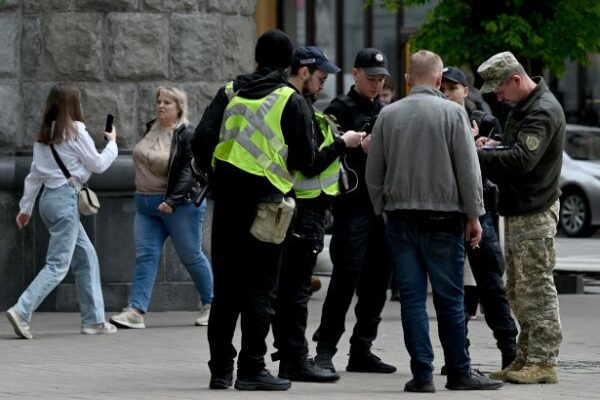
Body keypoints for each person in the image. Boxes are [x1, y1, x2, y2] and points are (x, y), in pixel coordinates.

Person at [365, 50, 504, 393]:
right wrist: (474, 214)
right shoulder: (454, 113)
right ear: (440, 80)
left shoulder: (389, 115)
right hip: (444, 219)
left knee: (412, 299)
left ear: (409, 78)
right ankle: (459, 370)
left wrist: (382, 206)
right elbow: (468, 170)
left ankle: (422, 374)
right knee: (450, 298)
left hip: (400, 217)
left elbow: (374, 172)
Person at [192, 29, 316, 391]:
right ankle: (252, 368)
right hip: (268, 205)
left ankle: (220, 370)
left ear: (257, 57)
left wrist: (215, 171)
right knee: (260, 288)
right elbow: (306, 160)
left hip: (228, 201)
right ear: (289, 64)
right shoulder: (289, 99)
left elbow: (201, 139)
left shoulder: (230, 91)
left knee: (226, 287)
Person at [272, 47, 365, 383]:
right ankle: (295, 359)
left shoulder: (296, 102)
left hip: (299, 207)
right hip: (304, 209)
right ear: (303, 71)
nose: (324, 81)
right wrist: (343, 144)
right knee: (295, 289)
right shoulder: (295, 103)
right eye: (321, 75)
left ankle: (289, 355)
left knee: (289, 287)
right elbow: (307, 163)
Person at [476, 51, 564, 384]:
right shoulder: (524, 106)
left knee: (536, 287)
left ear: (516, 80)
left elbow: (522, 160)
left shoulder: (541, 111)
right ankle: (525, 357)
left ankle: (544, 362)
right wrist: (495, 144)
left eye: (499, 90)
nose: (496, 97)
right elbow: (514, 149)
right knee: (517, 288)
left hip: (534, 210)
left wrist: (479, 154)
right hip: (520, 207)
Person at [6, 83, 118, 339]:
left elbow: (34, 176)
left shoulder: (45, 135)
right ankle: (22, 310)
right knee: (58, 265)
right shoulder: (76, 133)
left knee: (87, 256)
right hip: (66, 201)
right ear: (74, 105)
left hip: (48, 201)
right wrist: (112, 143)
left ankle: (94, 320)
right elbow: (99, 165)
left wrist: (26, 208)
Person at [312, 48, 396, 375]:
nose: (377, 84)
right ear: (355, 74)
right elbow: (323, 157)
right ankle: (325, 350)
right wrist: (356, 147)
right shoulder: (338, 110)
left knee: (378, 281)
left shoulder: (386, 111)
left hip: (381, 208)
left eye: (381, 79)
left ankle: (362, 348)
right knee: (345, 279)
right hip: (352, 206)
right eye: (371, 78)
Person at [110, 86, 213, 329]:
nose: (161, 106)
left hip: (179, 207)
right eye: (159, 101)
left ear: (179, 108)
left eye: (167, 102)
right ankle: (135, 310)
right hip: (146, 205)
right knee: (146, 256)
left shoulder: (187, 134)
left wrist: (172, 200)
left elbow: (191, 170)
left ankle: (212, 304)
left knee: (191, 255)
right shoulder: (151, 129)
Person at [441, 66, 518, 370]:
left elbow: (500, 165)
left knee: (491, 285)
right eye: (442, 88)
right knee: (454, 291)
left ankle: (510, 352)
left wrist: (477, 147)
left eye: (452, 88)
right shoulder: (437, 120)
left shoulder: (484, 121)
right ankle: (458, 357)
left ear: (466, 90)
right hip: (447, 212)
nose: (446, 94)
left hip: (481, 211)